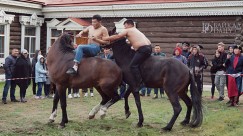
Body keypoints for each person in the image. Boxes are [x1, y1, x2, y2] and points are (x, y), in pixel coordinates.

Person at [103, 19, 152, 92]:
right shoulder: (136, 31)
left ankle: (140, 83)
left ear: (129, 24)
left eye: (125, 26)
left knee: (133, 65)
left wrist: (106, 38)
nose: (124, 28)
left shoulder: (128, 30)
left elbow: (118, 36)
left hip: (142, 49)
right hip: (149, 48)